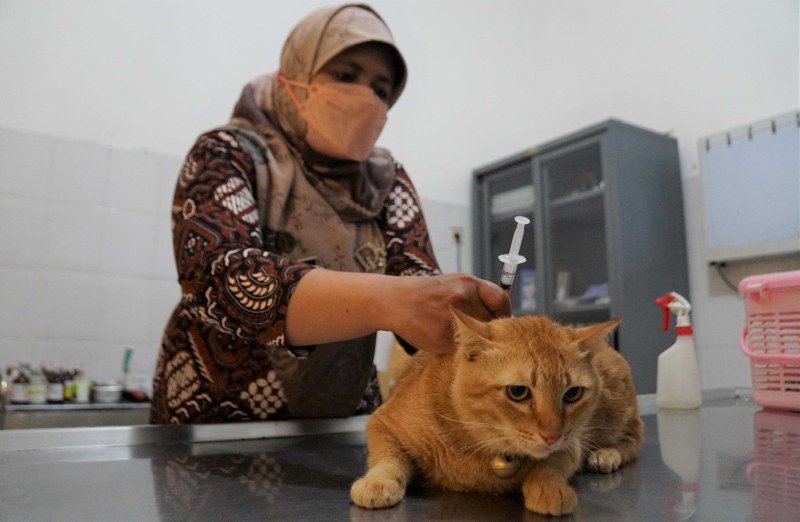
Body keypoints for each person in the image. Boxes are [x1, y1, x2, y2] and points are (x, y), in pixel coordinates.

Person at [150, 3, 511, 424]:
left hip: (341, 424)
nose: (365, 97)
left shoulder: (386, 178)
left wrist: (470, 325)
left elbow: (417, 279)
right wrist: (393, 302)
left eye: (381, 88)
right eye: (345, 75)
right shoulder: (228, 153)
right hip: (213, 428)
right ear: (296, 77)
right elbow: (219, 277)